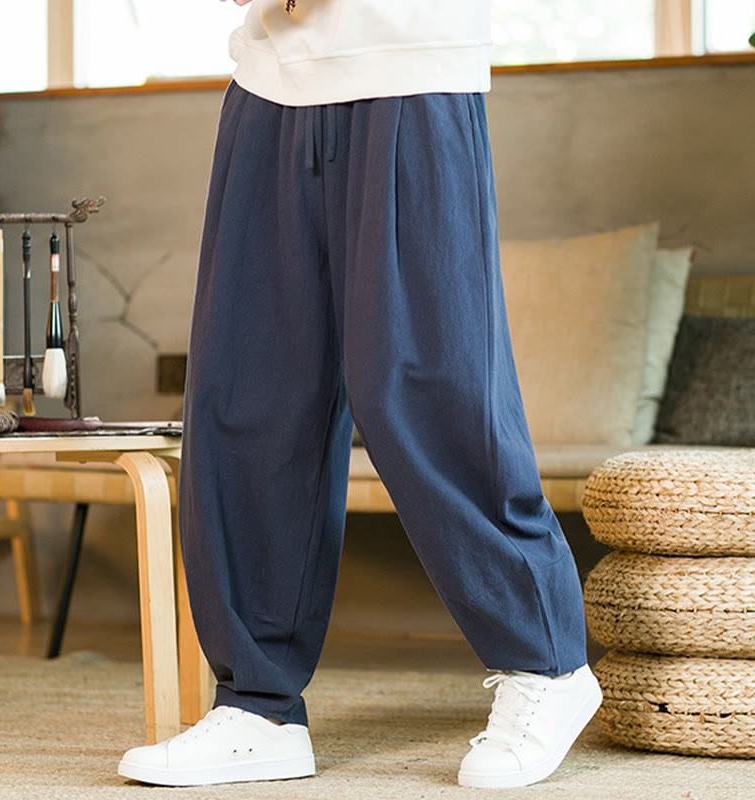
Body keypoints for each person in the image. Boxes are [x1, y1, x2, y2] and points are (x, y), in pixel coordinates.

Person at [118, 0, 602, 789]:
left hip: (412, 69)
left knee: (423, 385)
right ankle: (260, 704)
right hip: (268, 85)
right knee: (247, 394)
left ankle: (546, 663)